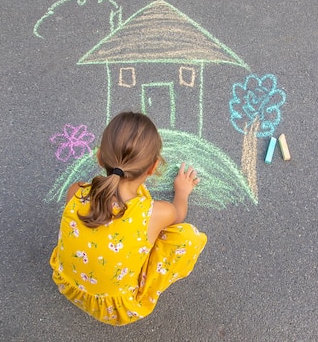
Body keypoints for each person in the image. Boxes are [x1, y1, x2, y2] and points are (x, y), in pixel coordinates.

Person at [49, 112, 207, 326]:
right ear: (153, 167)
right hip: (116, 309)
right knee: (187, 237)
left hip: (69, 284)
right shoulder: (154, 213)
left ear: (99, 157)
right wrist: (182, 191)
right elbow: (179, 213)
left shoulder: (76, 191)